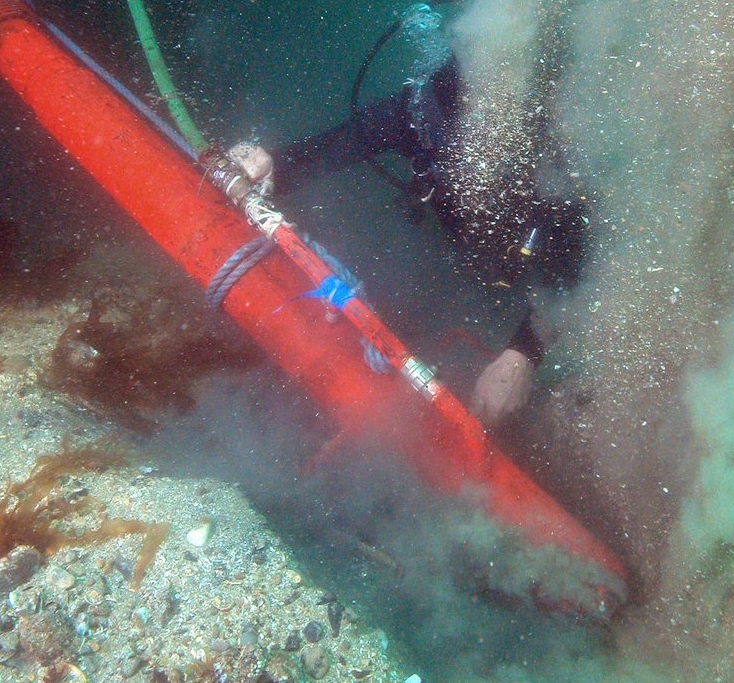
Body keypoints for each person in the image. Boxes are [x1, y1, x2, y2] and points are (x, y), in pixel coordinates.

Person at [228, 53, 587, 426]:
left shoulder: (556, 161)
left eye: (493, 166)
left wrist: (523, 354)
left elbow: (574, 264)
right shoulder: (420, 113)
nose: (474, 182)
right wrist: (278, 165)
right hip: (457, 242)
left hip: (519, 254)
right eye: (459, 158)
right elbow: (346, 141)